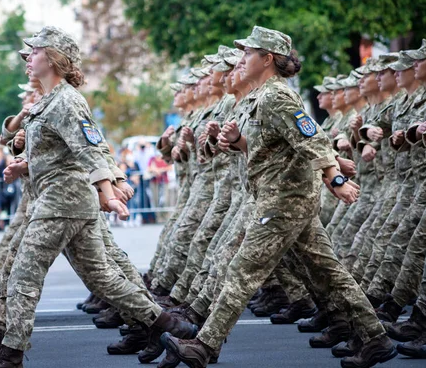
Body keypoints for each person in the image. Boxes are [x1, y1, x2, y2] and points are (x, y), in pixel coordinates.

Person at [162, 26, 395, 368]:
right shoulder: (261, 97)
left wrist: (337, 179)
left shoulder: (277, 96)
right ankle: (376, 338)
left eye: (248, 54)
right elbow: (271, 148)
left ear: (267, 59)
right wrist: (240, 141)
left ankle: (203, 345)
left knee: (242, 271)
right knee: (328, 272)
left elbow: (310, 140)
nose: (241, 60)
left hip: (284, 202)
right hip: (281, 198)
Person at [0, 26, 197, 367]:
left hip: (63, 201)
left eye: (36, 52)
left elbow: (89, 149)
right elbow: (55, 152)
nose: (28, 58)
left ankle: (9, 354)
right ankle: (168, 324)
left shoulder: (67, 101)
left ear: (54, 58)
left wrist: (109, 193)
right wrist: (23, 162)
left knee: (24, 274)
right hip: (63, 201)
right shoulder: (50, 101)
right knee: (102, 278)